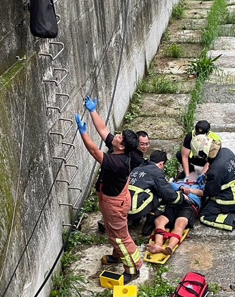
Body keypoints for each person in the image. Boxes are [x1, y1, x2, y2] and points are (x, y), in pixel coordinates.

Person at [75, 96, 143, 279]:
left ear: (122, 146)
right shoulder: (119, 150)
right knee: (113, 231)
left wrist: (82, 133)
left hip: (115, 204)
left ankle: (133, 268)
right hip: (112, 200)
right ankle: (117, 255)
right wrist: (92, 111)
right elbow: (104, 130)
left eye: (119, 137)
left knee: (121, 237)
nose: (117, 136)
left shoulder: (117, 162)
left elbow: (93, 151)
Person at [196, 136, 235, 238]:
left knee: (205, 216)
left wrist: (191, 190)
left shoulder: (215, 170)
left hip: (230, 200)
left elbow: (210, 193)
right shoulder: (226, 152)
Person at [147, 174, 205, 258]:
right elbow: (168, 185)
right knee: (159, 220)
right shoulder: (178, 183)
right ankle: (158, 245)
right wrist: (178, 186)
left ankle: (170, 247)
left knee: (180, 223)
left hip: (189, 205)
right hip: (174, 203)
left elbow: (202, 193)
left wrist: (189, 190)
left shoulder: (199, 186)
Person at [128, 150, 181, 236]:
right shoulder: (156, 172)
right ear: (161, 163)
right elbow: (168, 193)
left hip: (124, 207)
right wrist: (180, 197)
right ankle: (149, 224)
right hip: (136, 209)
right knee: (160, 197)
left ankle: (134, 221)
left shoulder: (137, 169)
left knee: (144, 192)